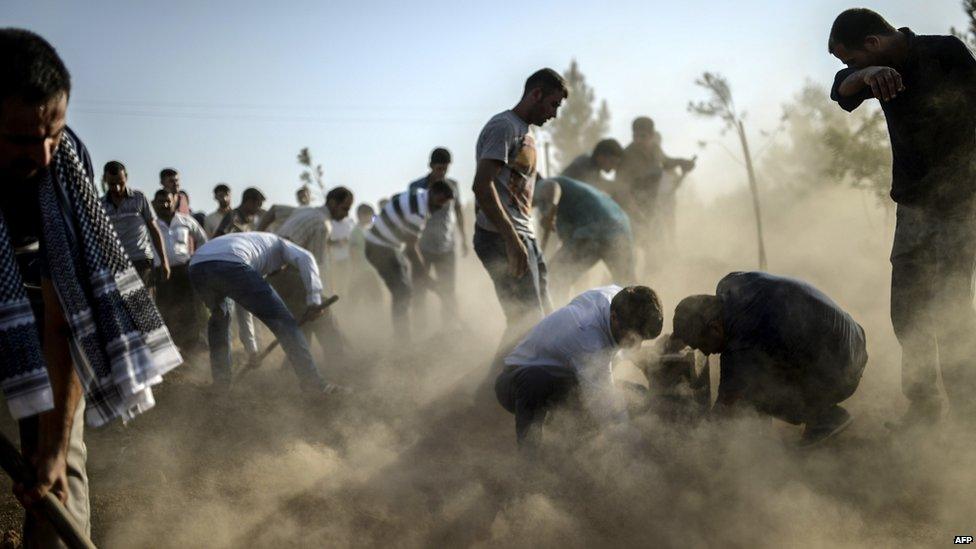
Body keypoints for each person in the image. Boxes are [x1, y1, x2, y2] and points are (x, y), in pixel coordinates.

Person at [0, 29, 182, 546]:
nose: (41, 154)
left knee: (56, 477)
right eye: (19, 139)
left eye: (52, 132)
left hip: (31, 304)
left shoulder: (66, 172)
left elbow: (65, 321)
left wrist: (54, 448)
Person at [828, 8, 976, 428]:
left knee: (952, 313)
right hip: (912, 208)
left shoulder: (943, 52)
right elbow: (841, 91)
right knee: (908, 313)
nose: (850, 69)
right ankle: (923, 410)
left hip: (959, 204)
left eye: (853, 58)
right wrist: (865, 72)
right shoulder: (875, 70)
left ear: (873, 42)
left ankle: (967, 419)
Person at [672, 272, 868, 446]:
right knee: (759, 366)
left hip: (843, 371)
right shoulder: (730, 284)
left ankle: (825, 418)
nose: (705, 353)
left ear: (715, 328)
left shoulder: (742, 339)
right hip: (854, 342)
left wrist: (695, 441)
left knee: (750, 390)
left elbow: (725, 410)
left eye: (701, 345)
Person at [472, 68, 567, 363]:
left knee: (544, 315)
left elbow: (533, 182)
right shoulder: (504, 127)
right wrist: (512, 241)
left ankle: (517, 384)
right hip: (501, 237)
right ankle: (493, 391)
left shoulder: (526, 134)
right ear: (536, 94)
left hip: (525, 234)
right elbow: (481, 185)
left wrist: (551, 205)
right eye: (553, 104)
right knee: (525, 320)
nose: (554, 114)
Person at [496, 285, 663, 448]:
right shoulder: (588, 336)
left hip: (566, 377)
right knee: (537, 381)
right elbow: (604, 403)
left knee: (637, 396)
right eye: (633, 339)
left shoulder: (619, 298)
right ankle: (529, 459)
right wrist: (631, 444)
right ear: (614, 318)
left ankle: (568, 443)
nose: (638, 346)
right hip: (514, 382)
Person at [188, 231, 343, 393]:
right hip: (231, 263)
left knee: (220, 320)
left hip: (197, 267)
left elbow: (243, 307)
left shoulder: (252, 243)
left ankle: (221, 384)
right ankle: (313, 383)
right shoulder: (280, 243)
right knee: (285, 323)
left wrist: (252, 349)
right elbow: (307, 258)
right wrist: (314, 302)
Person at [364, 181, 455, 341]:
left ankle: (402, 338)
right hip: (380, 248)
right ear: (432, 192)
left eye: (444, 204)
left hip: (386, 247)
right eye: (439, 202)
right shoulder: (418, 213)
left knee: (404, 288)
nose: (440, 207)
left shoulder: (418, 193)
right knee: (402, 292)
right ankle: (403, 344)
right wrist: (427, 277)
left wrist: (425, 277)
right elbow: (411, 249)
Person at [272, 186, 354, 360]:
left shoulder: (305, 211)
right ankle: (338, 362)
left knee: (305, 324)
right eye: (345, 208)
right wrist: (316, 297)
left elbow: (272, 211)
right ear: (332, 202)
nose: (346, 214)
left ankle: (292, 369)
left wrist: (260, 230)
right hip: (289, 274)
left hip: (276, 274)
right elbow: (312, 265)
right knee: (323, 317)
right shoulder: (322, 225)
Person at [534, 176, 635, 299]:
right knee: (628, 288)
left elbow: (552, 186)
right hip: (620, 229)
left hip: (594, 229)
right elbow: (568, 245)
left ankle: (560, 316)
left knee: (553, 277)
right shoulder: (572, 193)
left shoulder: (539, 185)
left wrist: (550, 212)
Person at [408, 147, 468, 328]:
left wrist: (463, 238)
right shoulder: (416, 187)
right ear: (431, 166)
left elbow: (458, 211)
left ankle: (449, 329)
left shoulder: (453, 186)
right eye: (439, 168)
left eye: (445, 168)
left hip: (446, 247)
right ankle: (420, 329)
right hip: (422, 247)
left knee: (448, 291)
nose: (442, 173)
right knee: (419, 290)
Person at [616, 118, 695, 250]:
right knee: (633, 247)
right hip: (632, 210)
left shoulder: (654, 149)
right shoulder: (627, 156)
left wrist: (682, 162)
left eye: (643, 136)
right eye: (636, 136)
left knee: (657, 248)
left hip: (652, 208)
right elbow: (621, 189)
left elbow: (666, 162)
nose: (639, 140)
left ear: (652, 136)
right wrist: (635, 213)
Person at [101, 160, 170, 292]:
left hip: (142, 262)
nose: (117, 188)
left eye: (120, 183)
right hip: (117, 265)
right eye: (112, 184)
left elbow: (154, 229)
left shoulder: (139, 198)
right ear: (104, 179)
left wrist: (164, 260)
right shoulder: (101, 204)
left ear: (126, 177)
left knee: (146, 306)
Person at [152, 189, 209, 351]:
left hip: (184, 271)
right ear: (154, 204)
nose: (164, 204)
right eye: (160, 202)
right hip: (161, 273)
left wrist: (196, 261)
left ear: (174, 201)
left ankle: (191, 347)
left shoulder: (186, 220)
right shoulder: (151, 223)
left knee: (189, 309)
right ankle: (170, 349)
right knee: (165, 309)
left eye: (167, 201)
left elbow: (203, 240)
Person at [560, 138, 624, 192]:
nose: (614, 167)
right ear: (601, 157)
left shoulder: (592, 166)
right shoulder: (584, 166)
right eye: (612, 162)